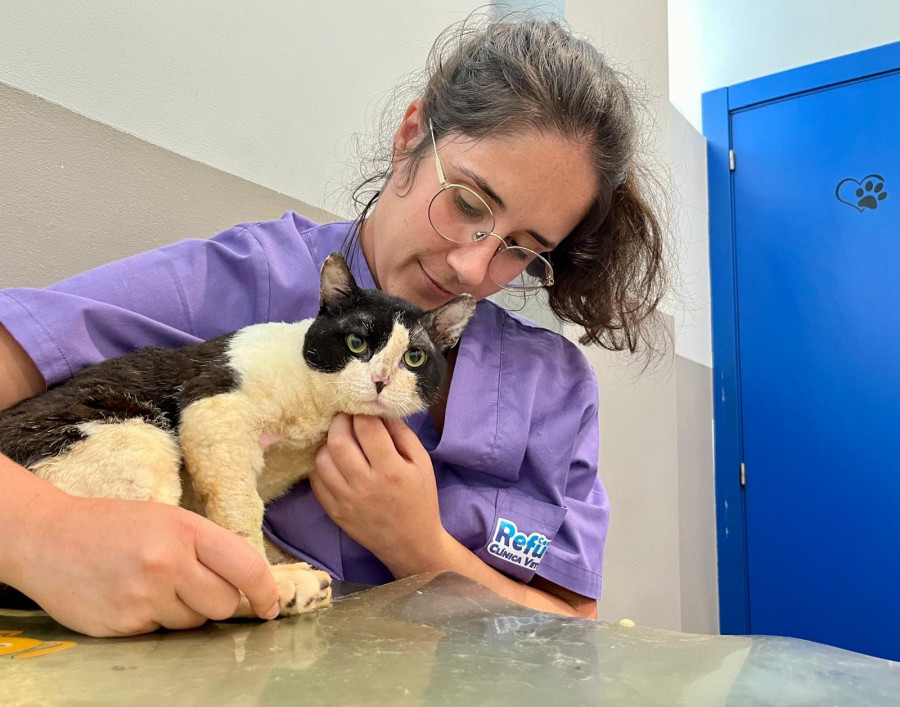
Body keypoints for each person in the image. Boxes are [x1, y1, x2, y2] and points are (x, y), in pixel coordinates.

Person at [0, 16, 667, 637]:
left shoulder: (551, 386)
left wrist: (417, 546)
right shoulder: (238, 282)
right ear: (410, 136)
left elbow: (574, 625)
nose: (473, 266)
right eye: (467, 202)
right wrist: (47, 534)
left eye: (522, 247)